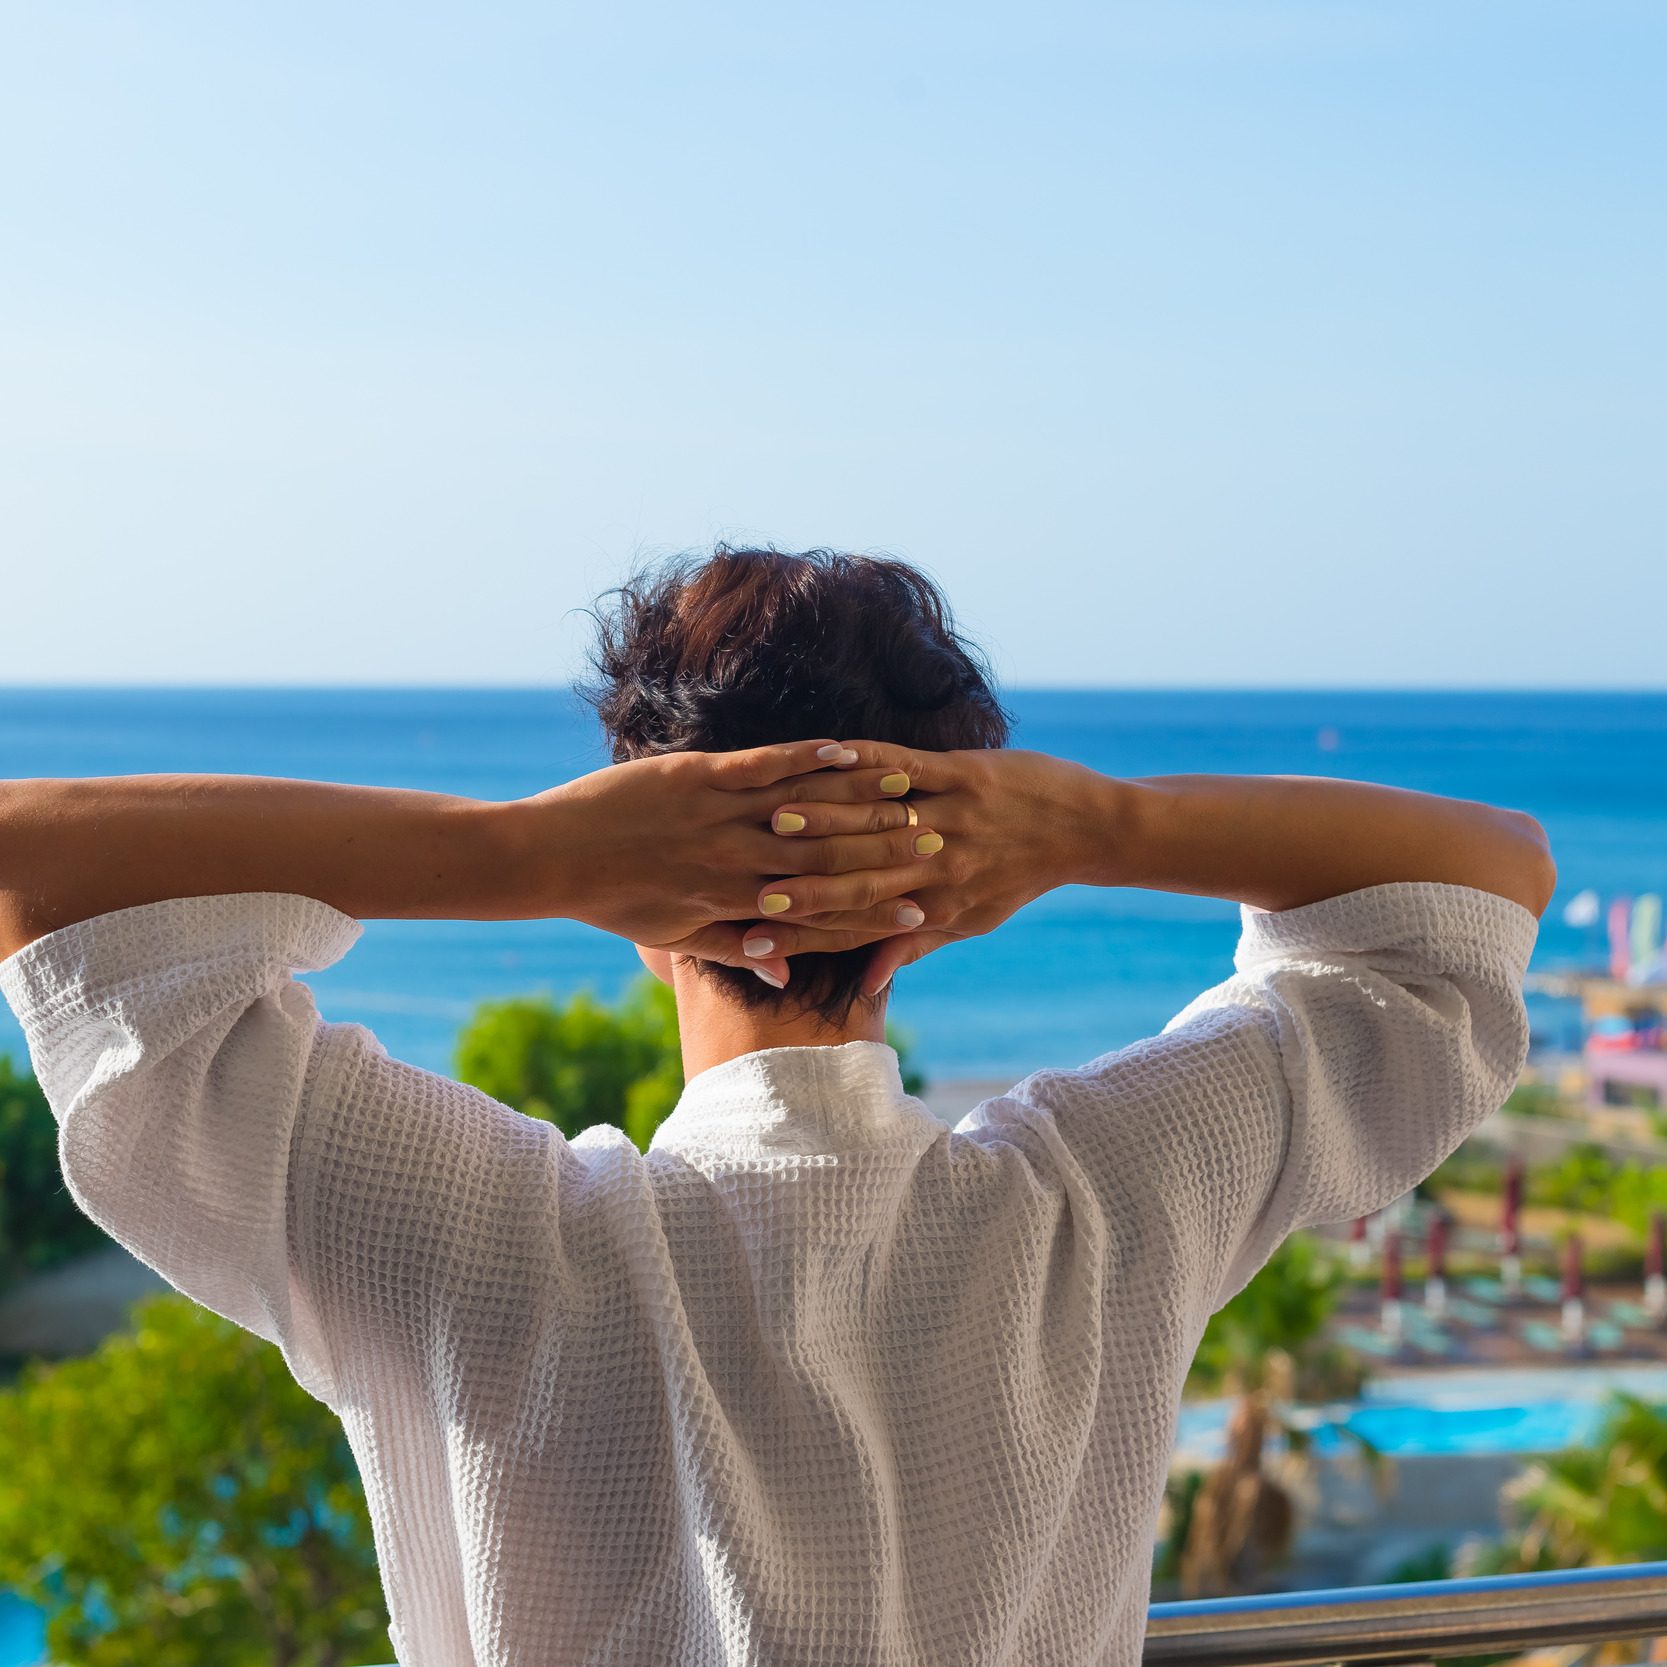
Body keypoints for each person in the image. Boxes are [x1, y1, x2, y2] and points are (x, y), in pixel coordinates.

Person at [0, 545, 1555, 1667]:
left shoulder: (466, 1235)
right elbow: (1477, 892)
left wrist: (520, 859)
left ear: (638, 876)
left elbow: (35, 866)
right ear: (942, 901)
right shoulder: (1106, 1205)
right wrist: (1094, 824)